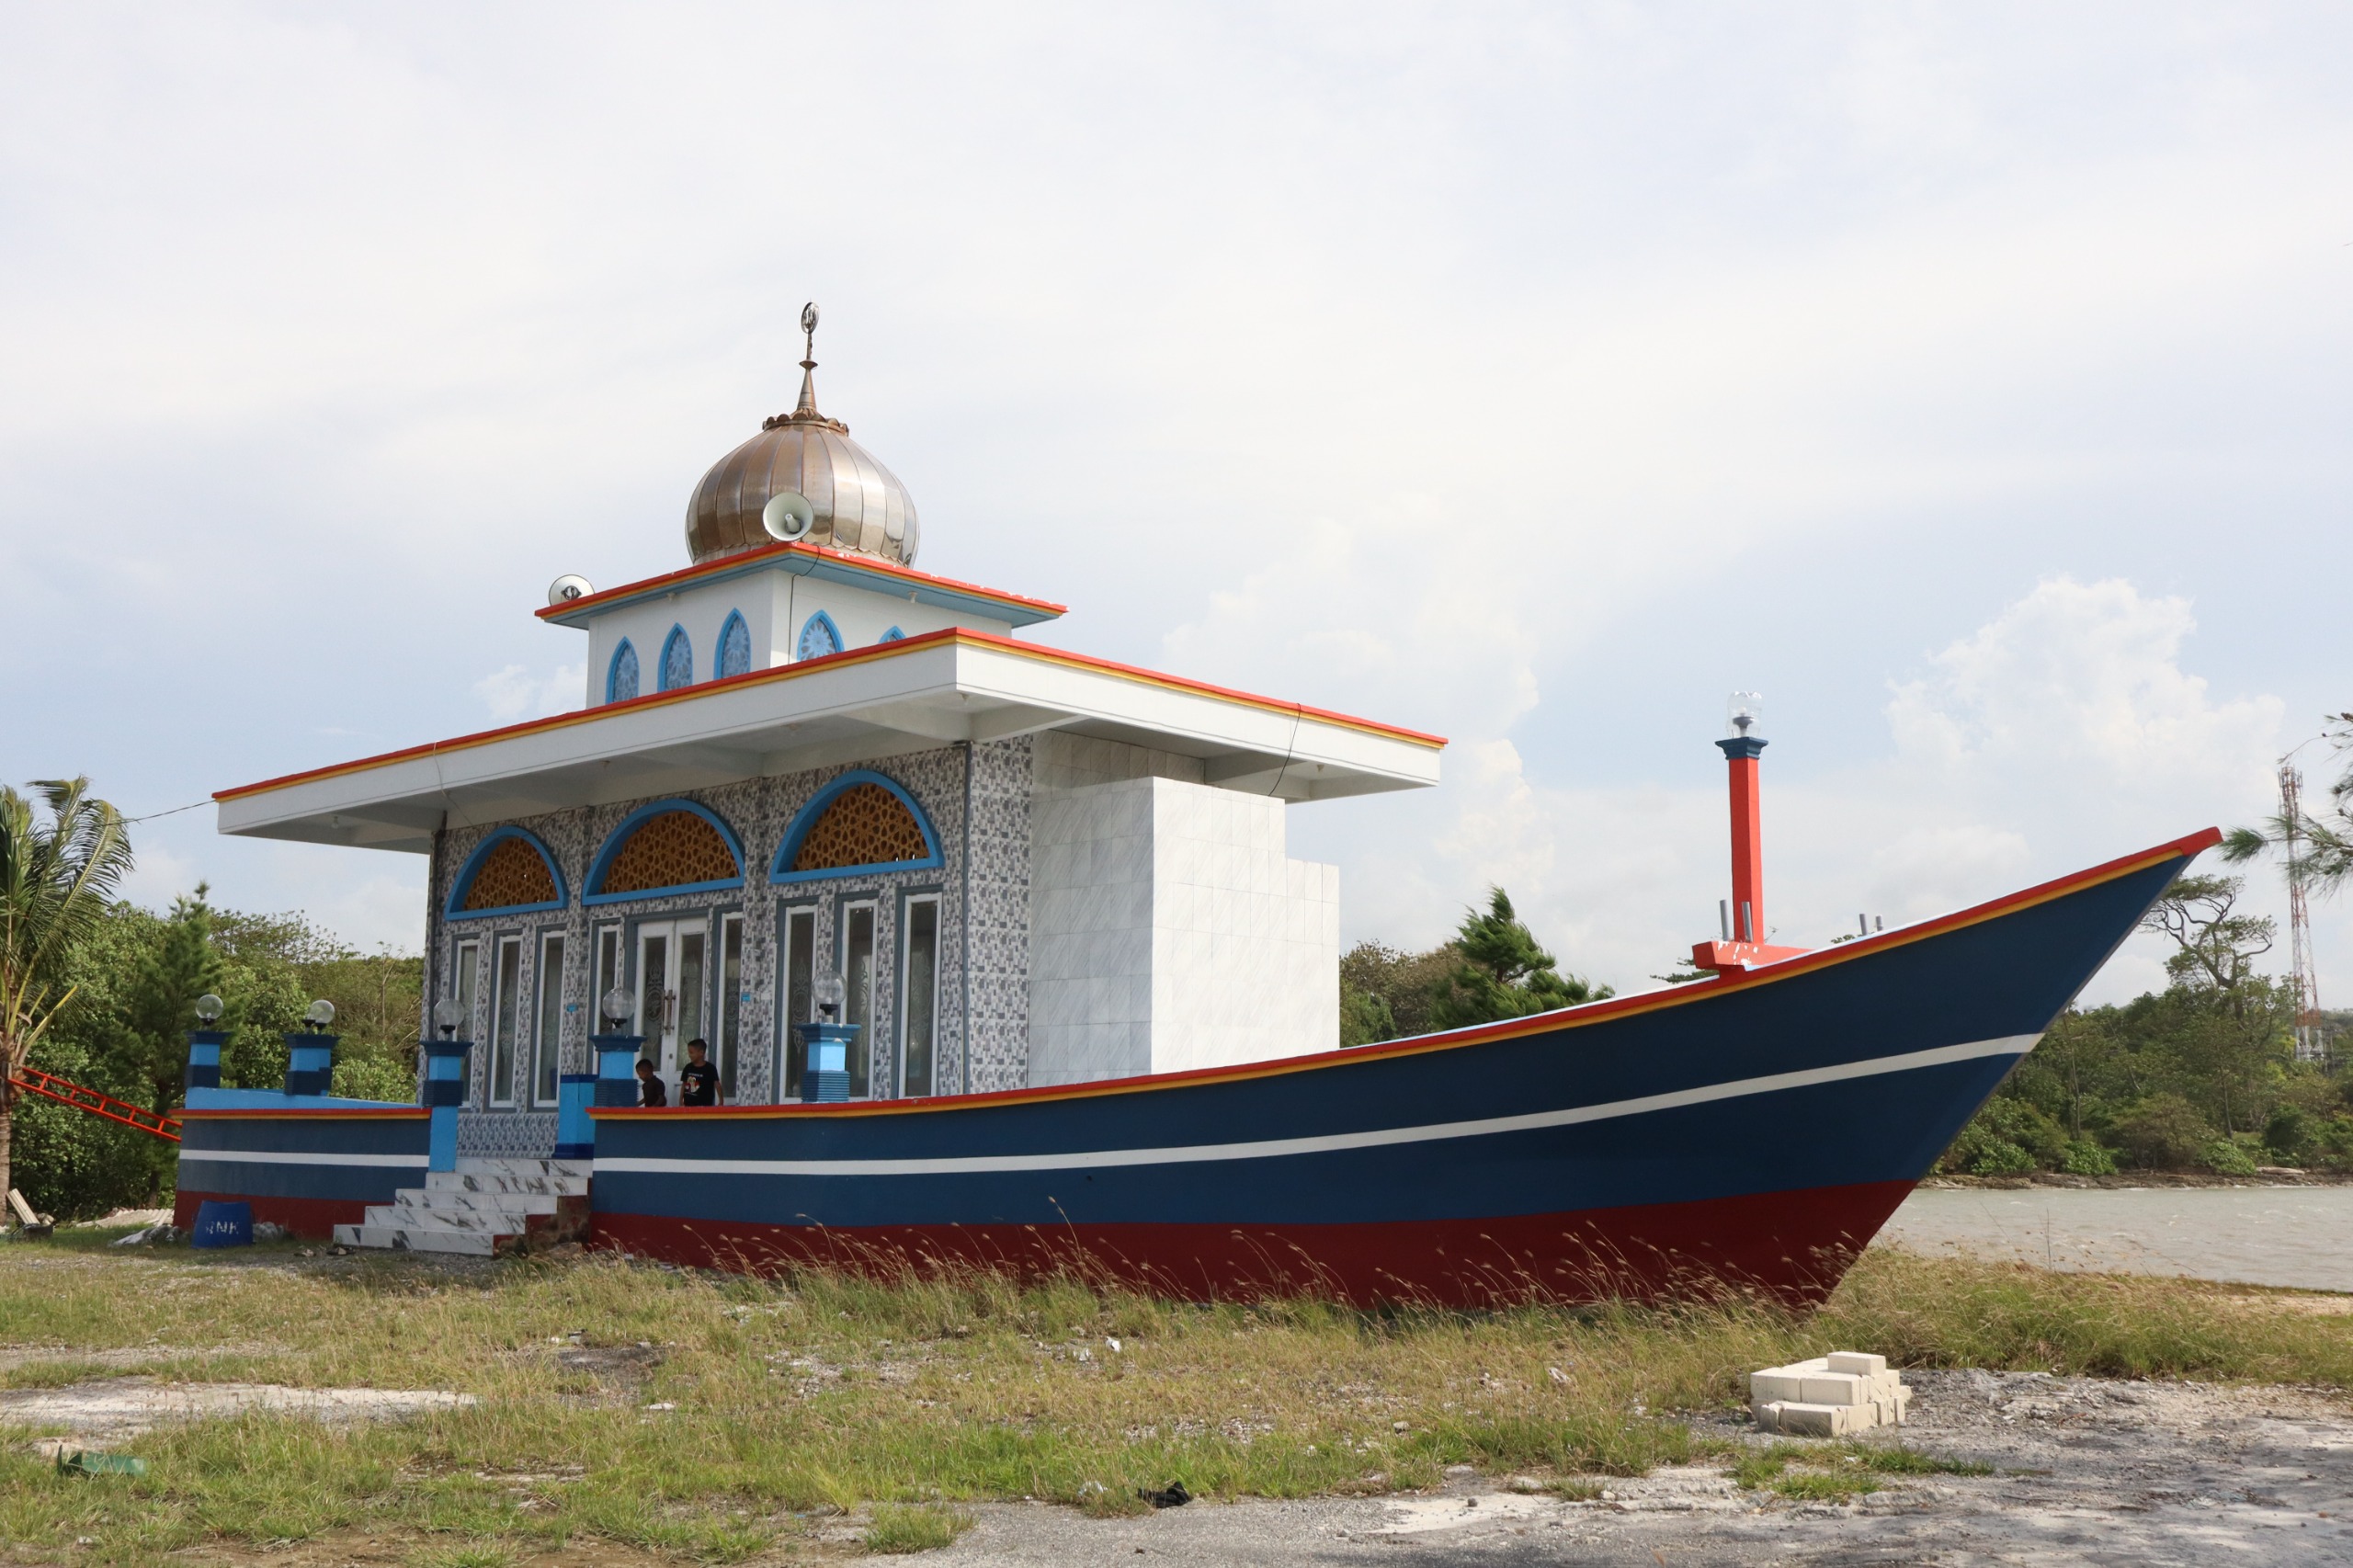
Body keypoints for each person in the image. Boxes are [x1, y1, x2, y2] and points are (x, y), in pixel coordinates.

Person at [678, 1038, 721, 1108]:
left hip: (704, 1106)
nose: (689, 1055)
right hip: (688, 1105)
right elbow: (684, 1084)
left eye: (691, 1052)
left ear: (701, 1053)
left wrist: (721, 1101)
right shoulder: (688, 1067)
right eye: (689, 1052)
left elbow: (717, 1084)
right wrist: (681, 1100)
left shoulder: (710, 1068)